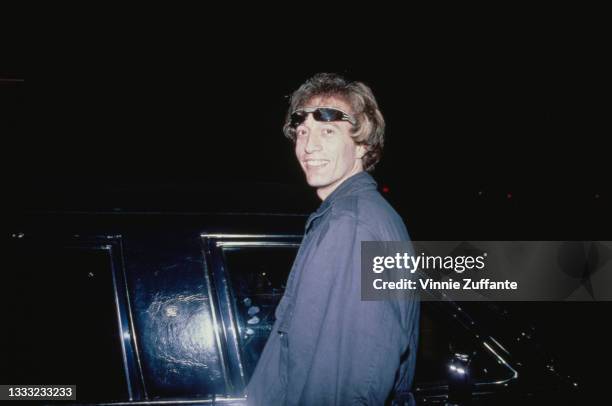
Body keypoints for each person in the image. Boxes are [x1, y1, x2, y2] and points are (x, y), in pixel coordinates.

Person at [246, 73, 420, 405]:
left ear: (363, 144)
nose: (308, 146)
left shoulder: (351, 226)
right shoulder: (353, 215)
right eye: (302, 132)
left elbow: (344, 385)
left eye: (328, 131)